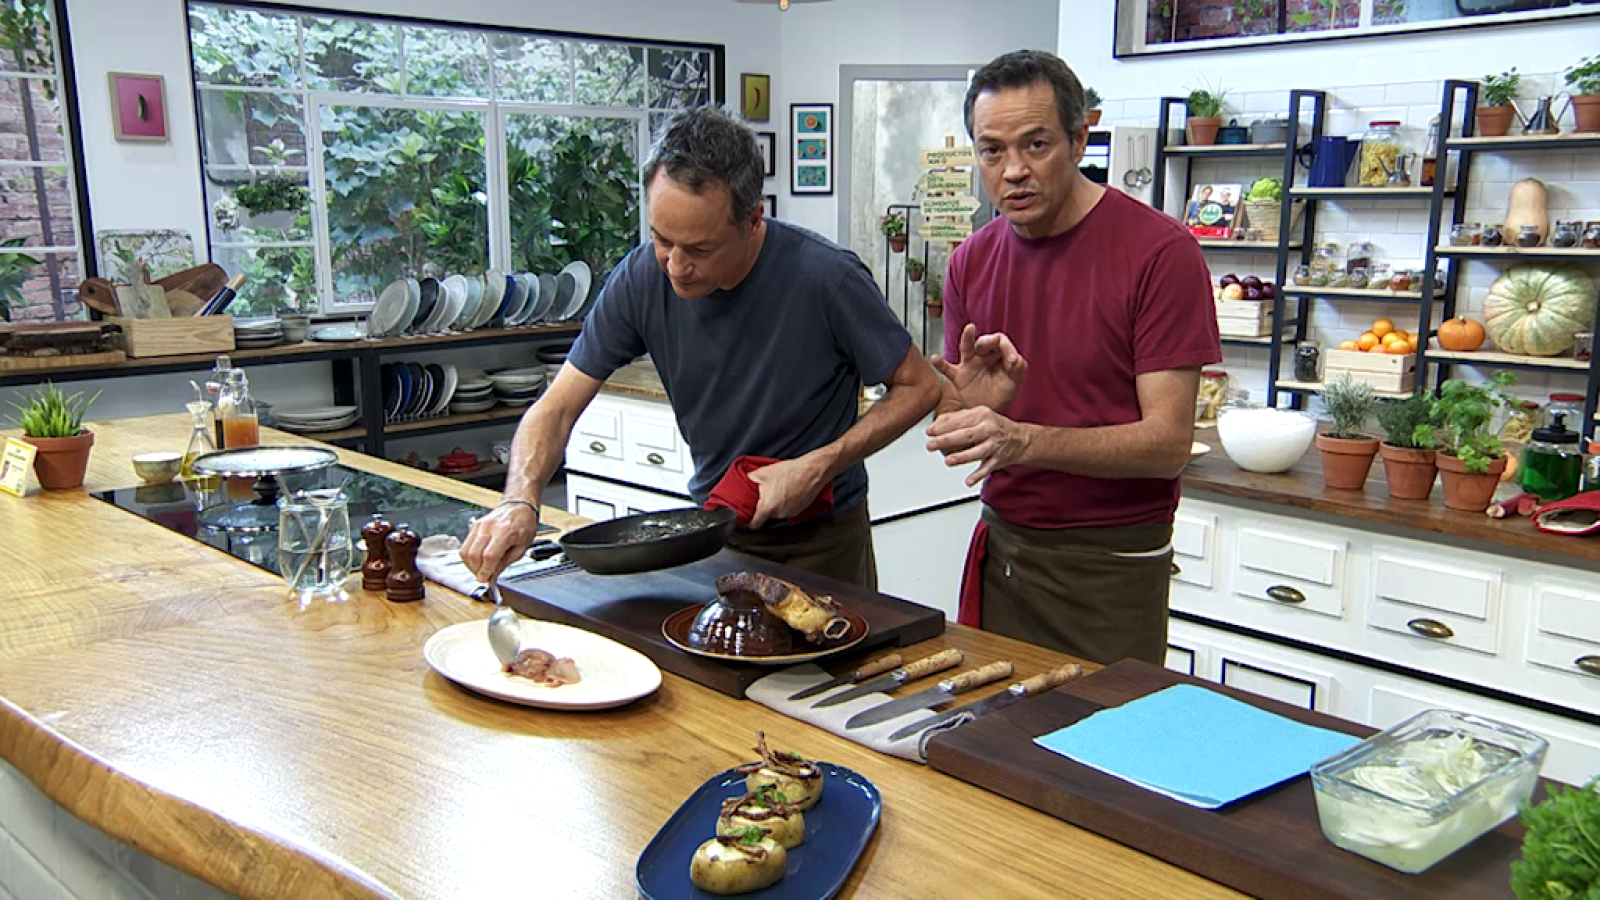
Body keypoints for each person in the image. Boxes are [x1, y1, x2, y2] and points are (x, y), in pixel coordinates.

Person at [462, 106, 940, 590]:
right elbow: (557, 408)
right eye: (661, 239)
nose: (675, 266)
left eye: (700, 249)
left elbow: (920, 387)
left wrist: (820, 464)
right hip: (715, 535)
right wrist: (518, 500)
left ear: (754, 219)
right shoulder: (640, 278)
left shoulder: (826, 278)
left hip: (823, 543)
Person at [925, 49, 1222, 666]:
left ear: (1080, 137)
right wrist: (972, 415)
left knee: (1096, 751)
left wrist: (1022, 440)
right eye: (992, 150)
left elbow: (1167, 444)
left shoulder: (1159, 253)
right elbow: (959, 434)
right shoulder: (970, 261)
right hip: (1005, 553)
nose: (1013, 171)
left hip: (1111, 565)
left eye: (1036, 145)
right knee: (991, 743)